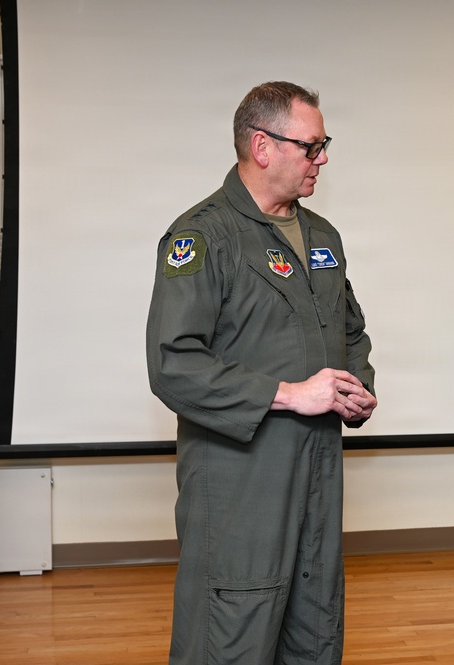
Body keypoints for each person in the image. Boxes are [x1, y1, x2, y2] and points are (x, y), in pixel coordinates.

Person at [146, 81, 377, 665]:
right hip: (240, 477)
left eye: (324, 144)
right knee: (231, 630)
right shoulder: (202, 236)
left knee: (314, 619)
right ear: (262, 145)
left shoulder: (323, 236)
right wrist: (289, 395)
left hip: (318, 467)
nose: (322, 158)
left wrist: (358, 386)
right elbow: (174, 363)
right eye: (311, 145)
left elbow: (349, 330)